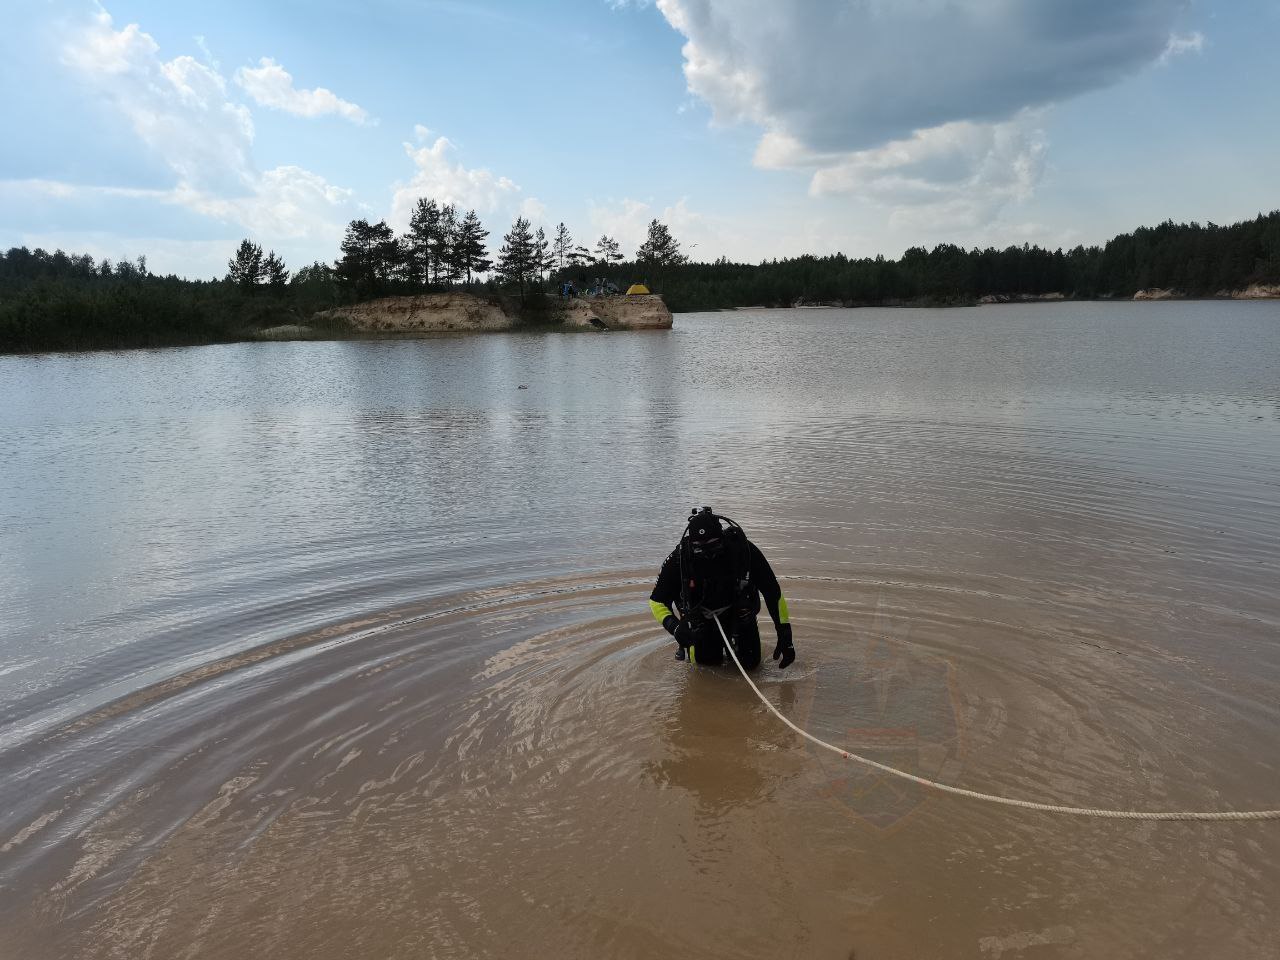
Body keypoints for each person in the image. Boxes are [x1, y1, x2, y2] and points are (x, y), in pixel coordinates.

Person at [648, 507, 795, 670]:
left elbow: (773, 592)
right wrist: (675, 628)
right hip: (701, 622)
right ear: (691, 544)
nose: (708, 554)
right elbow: (656, 601)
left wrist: (785, 634)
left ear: (722, 538)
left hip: (740, 614)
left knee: (751, 667)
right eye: (700, 548)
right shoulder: (680, 559)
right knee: (706, 671)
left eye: (713, 546)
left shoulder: (742, 550)